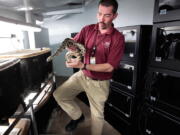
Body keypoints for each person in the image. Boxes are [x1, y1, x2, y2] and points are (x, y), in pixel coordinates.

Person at [53, 0, 124, 134]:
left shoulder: (118, 38)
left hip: (99, 83)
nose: (101, 19)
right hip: (82, 75)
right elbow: (75, 44)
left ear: (115, 16)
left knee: (97, 116)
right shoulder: (88, 29)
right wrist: (70, 44)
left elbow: (109, 67)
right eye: (99, 14)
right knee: (59, 95)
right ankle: (78, 117)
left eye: (107, 15)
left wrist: (83, 65)